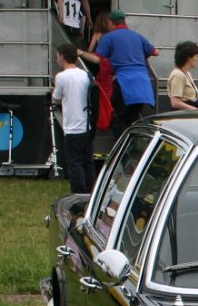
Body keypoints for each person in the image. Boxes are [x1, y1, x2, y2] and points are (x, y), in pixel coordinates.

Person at [78, 10, 158, 139]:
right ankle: (133, 148)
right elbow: (155, 52)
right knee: (132, 119)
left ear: (110, 22)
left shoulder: (108, 37)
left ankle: (121, 150)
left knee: (117, 118)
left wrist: (80, 53)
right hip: (143, 84)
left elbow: (96, 59)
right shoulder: (137, 36)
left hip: (125, 83)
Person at [52, 44, 95, 194]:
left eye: (58, 56)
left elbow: (56, 98)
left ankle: (78, 191)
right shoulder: (85, 75)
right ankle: (90, 189)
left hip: (72, 126)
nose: (57, 59)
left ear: (63, 57)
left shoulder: (61, 77)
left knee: (74, 162)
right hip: (86, 125)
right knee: (87, 160)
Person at [168, 41, 198, 111]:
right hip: (183, 116)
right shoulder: (178, 75)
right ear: (188, 58)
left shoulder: (187, 74)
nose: (197, 59)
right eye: (195, 56)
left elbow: (189, 97)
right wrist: (196, 111)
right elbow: (175, 103)